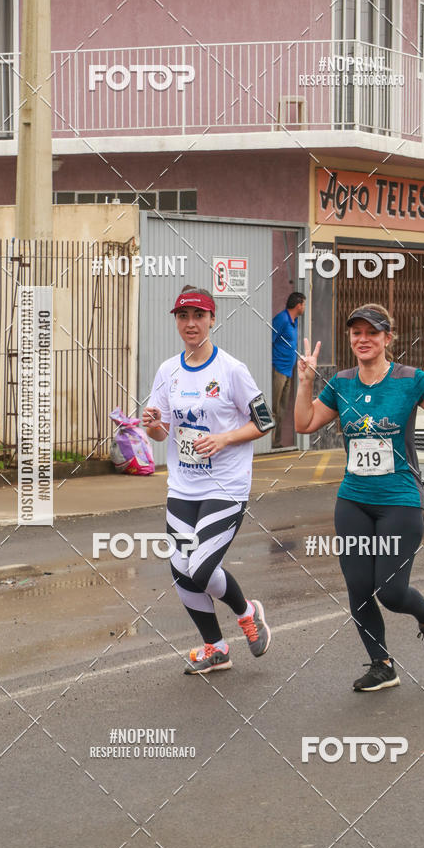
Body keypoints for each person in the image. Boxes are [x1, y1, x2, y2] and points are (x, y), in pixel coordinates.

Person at [294, 303, 424, 692]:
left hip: (399, 499)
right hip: (353, 499)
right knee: (359, 587)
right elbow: (304, 423)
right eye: (356, 333)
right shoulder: (342, 383)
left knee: (391, 591)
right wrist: (305, 382)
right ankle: (382, 665)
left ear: (387, 339)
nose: (363, 340)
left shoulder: (410, 379)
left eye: (372, 333)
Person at [142, 286, 273, 674]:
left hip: (226, 488)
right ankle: (215, 647)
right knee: (180, 569)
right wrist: (153, 426)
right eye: (183, 317)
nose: (190, 324)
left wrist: (224, 438)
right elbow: (162, 431)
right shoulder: (168, 371)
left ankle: (247, 611)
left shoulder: (231, 370)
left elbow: (264, 421)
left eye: (198, 316)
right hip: (183, 486)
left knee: (199, 567)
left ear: (212, 319)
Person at [271, 291, 306, 448]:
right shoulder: (282, 319)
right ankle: (269, 442)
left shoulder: (294, 320)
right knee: (274, 407)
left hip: (288, 370)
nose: (304, 307)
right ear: (299, 305)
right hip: (278, 369)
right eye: (304, 304)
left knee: (282, 408)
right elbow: (269, 340)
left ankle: (276, 442)